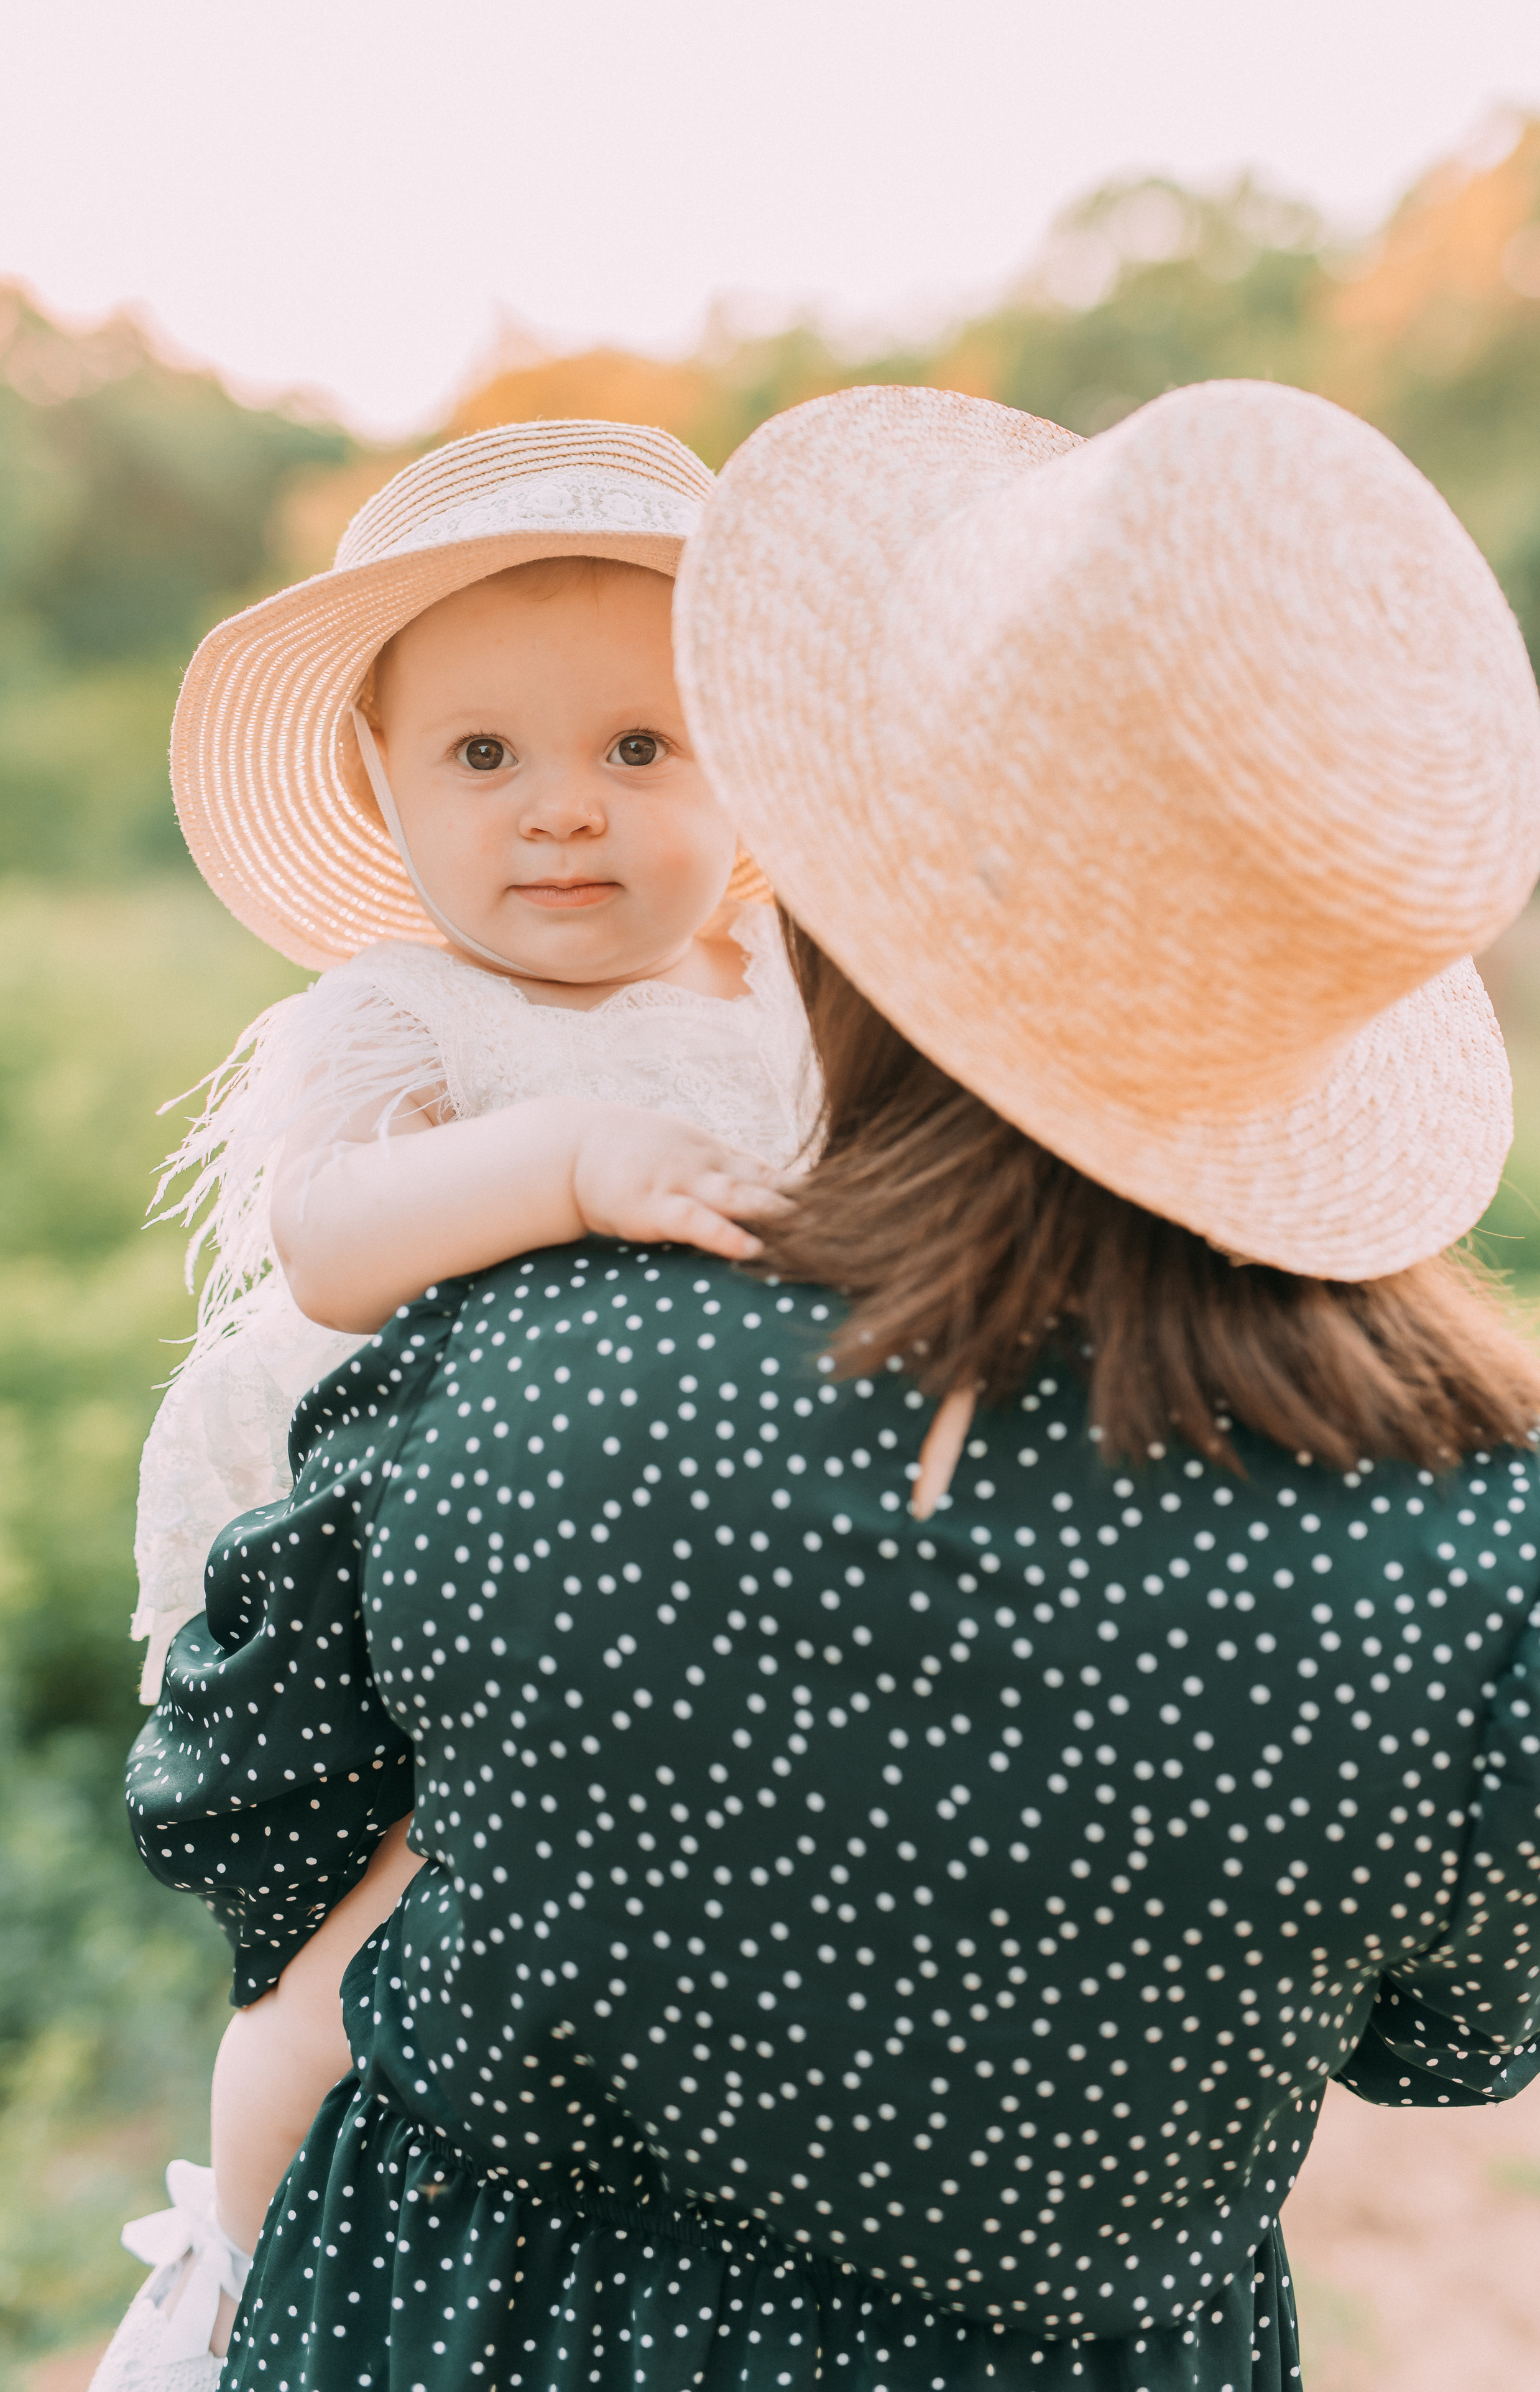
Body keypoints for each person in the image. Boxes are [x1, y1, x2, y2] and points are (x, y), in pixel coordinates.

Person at [124, 379, 1540, 2392]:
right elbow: (1453, 2037)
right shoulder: (1491, 1552)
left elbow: (247, 1815)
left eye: (646, 744)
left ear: (817, 833)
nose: (567, 803)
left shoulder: (523, 1370)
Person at [93, 422, 811, 2390]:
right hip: (394, 1557)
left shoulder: (783, 997)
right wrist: (571, 1159)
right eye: (485, 757)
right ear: (382, 786)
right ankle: (232, 2257)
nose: (562, 814)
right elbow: (330, 1238)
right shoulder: (398, 1015)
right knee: (399, 1910)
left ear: (741, 769)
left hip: (678, 1550)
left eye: (636, 750)